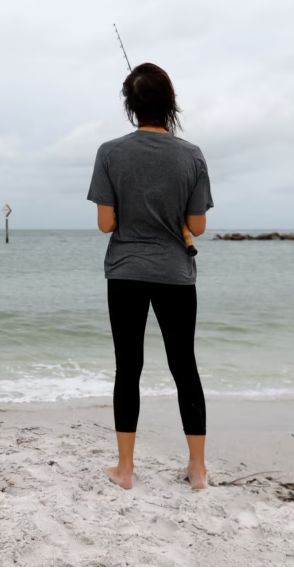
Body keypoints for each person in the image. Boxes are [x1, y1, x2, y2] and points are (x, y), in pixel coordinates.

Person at [87, 63, 213, 490]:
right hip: (176, 273)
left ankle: (124, 470)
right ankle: (197, 469)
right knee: (185, 368)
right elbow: (196, 227)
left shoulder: (109, 153)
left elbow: (106, 224)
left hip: (125, 272)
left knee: (129, 367)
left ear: (130, 105)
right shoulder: (192, 155)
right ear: (170, 103)